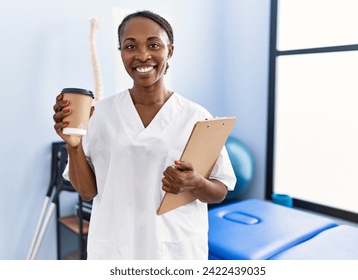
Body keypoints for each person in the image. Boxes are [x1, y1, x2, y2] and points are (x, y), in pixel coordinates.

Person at [53, 10, 236, 260]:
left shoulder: (197, 117)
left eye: (154, 45)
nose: (142, 55)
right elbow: (87, 192)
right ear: (121, 53)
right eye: (130, 46)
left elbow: (220, 189)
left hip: (174, 253)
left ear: (169, 50)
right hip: (114, 250)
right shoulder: (100, 113)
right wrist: (73, 146)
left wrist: (196, 183)